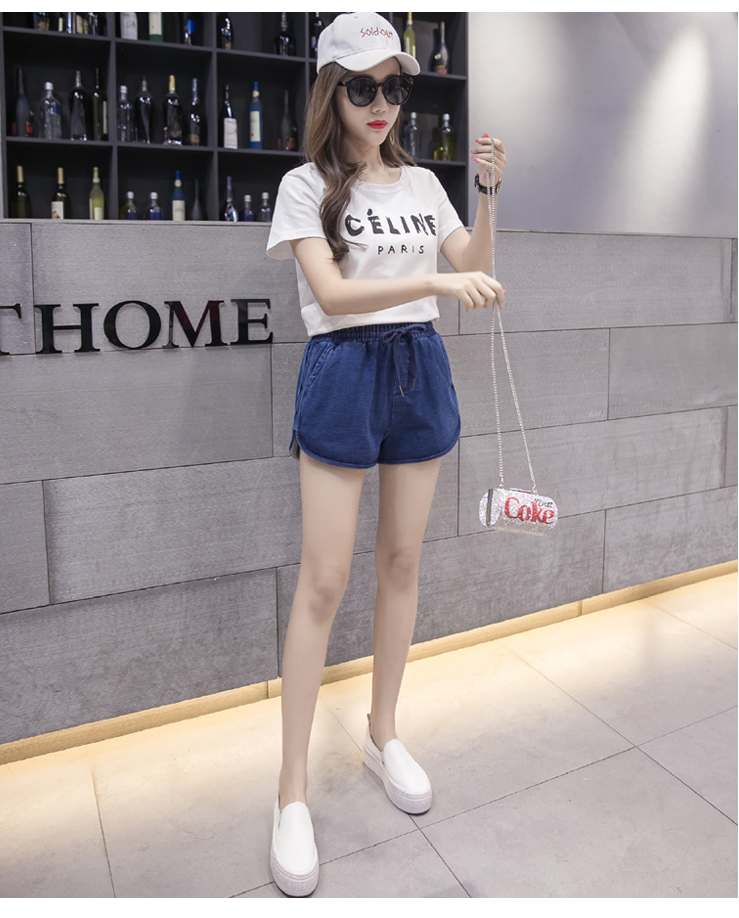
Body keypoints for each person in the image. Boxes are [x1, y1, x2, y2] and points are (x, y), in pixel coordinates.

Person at [265, 11, 506, 897]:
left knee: (402, 560)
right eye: (362, 86)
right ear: (331, 91)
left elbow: (475, 264)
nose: (381, 103)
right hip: (343, 369)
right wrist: (436, 279)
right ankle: (291, 790)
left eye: (394, 86)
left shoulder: (425, 183)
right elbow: (332, 295)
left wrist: (487, 195)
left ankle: (383, 730)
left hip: (419, 365)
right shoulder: (304, 186)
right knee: (323, 580)